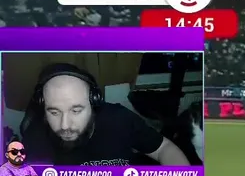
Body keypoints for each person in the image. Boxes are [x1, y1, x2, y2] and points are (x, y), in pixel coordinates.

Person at [19, 62, 192, 166]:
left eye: (76, 110)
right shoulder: (36, 135)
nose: (65, 125)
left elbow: (164, 149)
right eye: (54, 112)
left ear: (94, 102)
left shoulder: (119, 119)